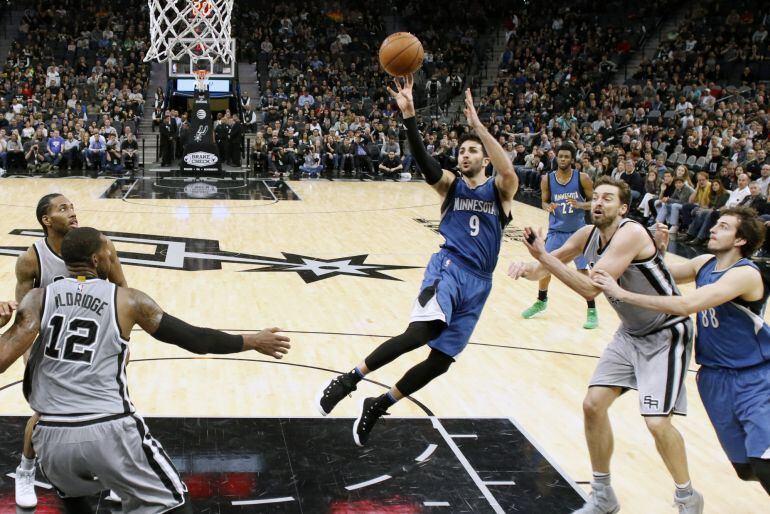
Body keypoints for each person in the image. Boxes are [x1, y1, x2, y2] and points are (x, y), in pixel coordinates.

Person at [0, 227, 291, 514]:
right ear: (97, 261)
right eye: (109, 250)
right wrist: (251, 341)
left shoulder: (37, 299)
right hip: (110, 428)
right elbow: (195, 339)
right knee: (173, 504)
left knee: (74, 500)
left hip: (51, 437)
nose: (113, 255)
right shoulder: (129, 301)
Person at [315, 77, 518, 446]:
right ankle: (349, 379)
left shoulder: (500, 191)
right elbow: (426, 167)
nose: (465, 155)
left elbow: (508, 173)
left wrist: (480, 129)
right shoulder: (452, 186)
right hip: (448, 269)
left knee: (440, 361)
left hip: (480, 282)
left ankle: (378, 403)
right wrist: (409, 116)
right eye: (462, 151)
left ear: (485, 158)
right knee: (420, 333)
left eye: (472, 151)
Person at [508, 176, 703, 513]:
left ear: (623, 207)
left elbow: (591, 290)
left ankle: (687, 497)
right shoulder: (587, 235)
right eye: (595, 197)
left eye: (608, 198)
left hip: (666, 333)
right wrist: (526, 266)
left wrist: (542, 257)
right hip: (630, 333)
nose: (598, 203)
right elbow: (546, 265)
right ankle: (603, 495)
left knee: (657, 423)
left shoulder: (631, 233)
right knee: (592, 406)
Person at [592, 207, 770, 495]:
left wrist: (621, 293)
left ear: (740, 240)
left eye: (723, 226)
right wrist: (654, 255)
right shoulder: (704, 263)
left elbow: (687, 305)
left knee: (765, 462)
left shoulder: (745, 274)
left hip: (756, 378)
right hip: (714, 377)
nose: (713, 228)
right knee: (746, 469)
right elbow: (660, 278)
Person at [13, 194, 127, 509]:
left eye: (73, 207)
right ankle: (25, 470)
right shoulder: (32, 258)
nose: (72, 212)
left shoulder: (98, 245)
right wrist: (29, 362)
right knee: (44, 412)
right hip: (54, 344)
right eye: (63, 208)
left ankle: (116, 476)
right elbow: (25, 317)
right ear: (46, 220)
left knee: (110, 410)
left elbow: (123, 292)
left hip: (96, 341)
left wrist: (121, 344)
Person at [521, 143, 598, 328]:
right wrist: (549, 207)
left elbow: (595, 201)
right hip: (556, 231)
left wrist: (580, 205)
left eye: (566, 156)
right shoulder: (547, 179)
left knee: (583, 272)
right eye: (560, 156)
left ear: (572, 159)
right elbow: (544, 203)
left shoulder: (583, 178)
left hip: (578, 232)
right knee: (545, 265)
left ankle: (592, 310)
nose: (563, 159)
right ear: (556, 158)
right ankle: (541, 301)